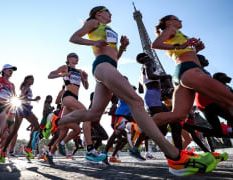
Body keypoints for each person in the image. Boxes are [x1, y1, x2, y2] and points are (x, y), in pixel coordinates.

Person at [55, 6, 216, 176]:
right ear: (99, 13)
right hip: (102, 65)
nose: (111, 14)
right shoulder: (94, 23)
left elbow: (113, 56)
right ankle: (175, 157)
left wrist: (122, 48)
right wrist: (93, 42)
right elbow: (74, 38)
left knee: (93, 114)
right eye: (108, 11)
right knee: (136, 102)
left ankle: (58, 121)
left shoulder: (108, 30)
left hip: (109, 65)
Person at [151, 15, 233, 127]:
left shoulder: (178, 34)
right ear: (169, 23)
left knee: (178, 115)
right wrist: (179, 46)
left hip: (182, 73)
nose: (180, 20)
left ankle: (140, 125)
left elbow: (184, 52)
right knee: (230, 100)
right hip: (189, 70)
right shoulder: (170, 29)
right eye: (177, 19)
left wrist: (197, 49)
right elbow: (155, 45)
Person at [46, 52, 88, 165]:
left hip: (75, 97)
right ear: (68, 59)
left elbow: (86, 87)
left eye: (77, 57)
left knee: (69, 130)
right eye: (74, 56)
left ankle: (50, 154)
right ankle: (89, 149)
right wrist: (63, 75)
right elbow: (50, 75)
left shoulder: (79, 71)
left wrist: (85, 79)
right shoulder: (65, 68)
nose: (76, 58)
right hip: (68, 96)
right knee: (86, 113)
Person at [0, 75, 41, 162]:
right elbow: (21, 96)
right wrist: (34, 99)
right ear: (26, 80)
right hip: (23, 109)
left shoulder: (29, 88)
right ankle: (6, 151)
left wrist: (30, 103)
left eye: (33, 79)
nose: (32, 81)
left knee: (34, 126)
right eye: (31, 79)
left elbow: (25, 98)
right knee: (36, 125)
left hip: (26, 108)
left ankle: (26, 147)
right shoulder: (25, 87)